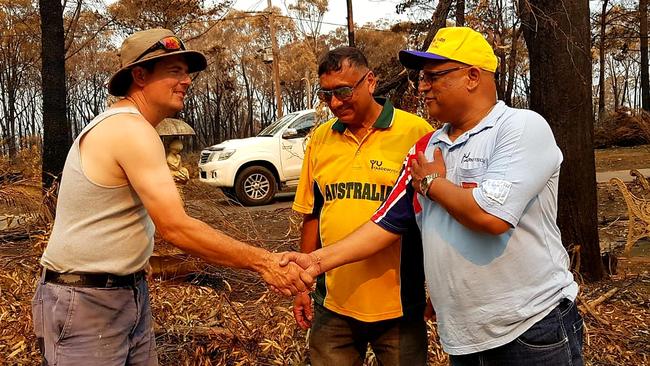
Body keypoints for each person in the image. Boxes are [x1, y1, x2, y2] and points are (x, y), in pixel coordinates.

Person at [283, 27, 584, 366]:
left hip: (530, 328)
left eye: (434, 76)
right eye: (422, 77)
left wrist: (432, 185)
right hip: (464, 336)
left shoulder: (519, 128)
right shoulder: (426, 147)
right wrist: (315, 262)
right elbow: (385, 223)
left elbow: (491, 217)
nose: (422, 86)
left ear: (472, 76)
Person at [32, 28, 312, 366]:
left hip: (125, 293)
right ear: (139, 76)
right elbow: (175, 227)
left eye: (187, 72)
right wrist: (264, 262)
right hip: (87, 301)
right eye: (174, 72)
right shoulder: (129, 130)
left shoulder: (134, 129)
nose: (187, 81)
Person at [291, 47, 433, 366]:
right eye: (326, 95)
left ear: (370, 82)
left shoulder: (416, 134)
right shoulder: (320, 140)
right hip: (333, 304)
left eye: (343, 91)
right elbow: (312, 214)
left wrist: (437, 287)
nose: (336, 103)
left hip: (399, 306)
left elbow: (434, 221)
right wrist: (303, 286)